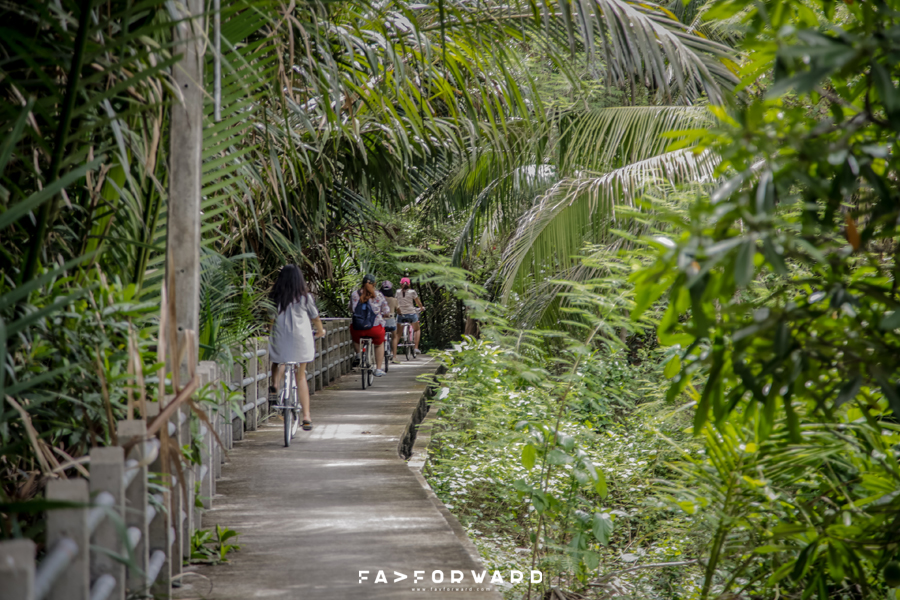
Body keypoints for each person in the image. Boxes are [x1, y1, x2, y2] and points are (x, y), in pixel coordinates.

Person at [267, 265, 325, 431]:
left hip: (280, 338)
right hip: (301, 340)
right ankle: (306, 417)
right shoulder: (305, 298)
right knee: (301, 377)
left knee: (279, 361)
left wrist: (269, 333)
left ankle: (275, 385)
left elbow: (270, 320)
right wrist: (320, 331)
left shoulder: (275, 297)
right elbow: (315, 318)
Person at [350, 274, 391, 376]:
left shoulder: (355, 294)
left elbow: (351, 308)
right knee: (379, 344)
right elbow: (386, 310)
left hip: (358, 328)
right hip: (375, 328)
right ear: (374, 284)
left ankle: (358, 354)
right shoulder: (379, 295)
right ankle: (378, 369)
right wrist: (386, 314)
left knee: (355, 338)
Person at [397, 277, 425, 355]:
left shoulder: (397, 292)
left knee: (398, 333)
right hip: (411, 314)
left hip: (401, 314)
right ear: (409, 284)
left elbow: (396, 301)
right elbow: (418, 302)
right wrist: (421, 308)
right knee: (417, 329)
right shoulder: (412, 292)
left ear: (401, 284)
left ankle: (393, 351)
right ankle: (416, 348)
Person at [380, 281, 400, 364]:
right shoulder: (394, 300)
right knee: (394, 336)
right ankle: (394, 356)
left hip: (381, 321)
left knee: (379, 337)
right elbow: (398, 310)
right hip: (391, 320)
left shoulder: (379, 299)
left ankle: (379, 356)